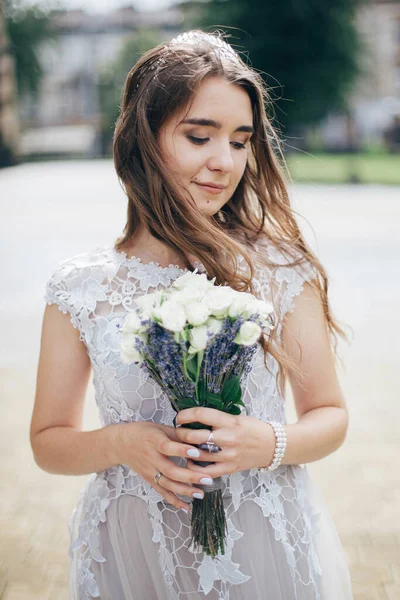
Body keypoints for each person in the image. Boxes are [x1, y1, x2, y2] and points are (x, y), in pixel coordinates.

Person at [30, 30, 353, 600]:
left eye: (240, 140)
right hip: (134, 548)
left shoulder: (279, 268)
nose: (222, 161)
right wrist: (120, 443)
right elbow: (49, 441)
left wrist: (269, 442)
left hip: (260, 543)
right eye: (199, 136)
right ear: (143, 138)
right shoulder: (81, 288)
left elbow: (329, 415)